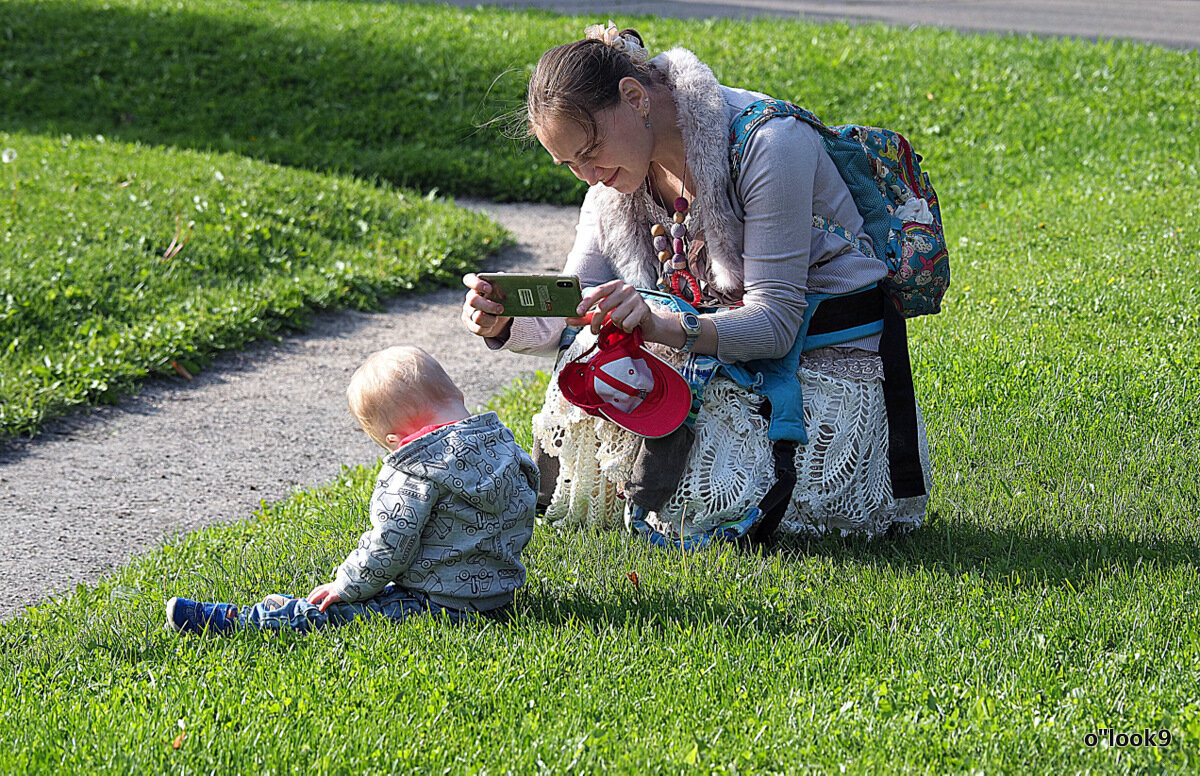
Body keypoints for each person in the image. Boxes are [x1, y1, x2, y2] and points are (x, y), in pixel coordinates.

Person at [462, 22, 932, 543]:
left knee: (701, 496)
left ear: (635, 97)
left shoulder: (769, 143)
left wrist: (664, 326)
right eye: (569, 163)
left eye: (590, 150)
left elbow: (776, 324)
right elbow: (574, 306)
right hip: (720, 354)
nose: (588, 175)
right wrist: (504, 320)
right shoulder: (615, 176)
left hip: (817, 361)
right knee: (588, 357)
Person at [165, 345, 539, 634]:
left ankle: (251, 620)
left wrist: (346, 584)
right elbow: (528, 498)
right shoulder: (502, 442)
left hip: (440, 603)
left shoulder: (415, 470)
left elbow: (389, 546)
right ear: (455, 392)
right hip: (499, 593)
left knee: (338, 613)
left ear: (395, 440)